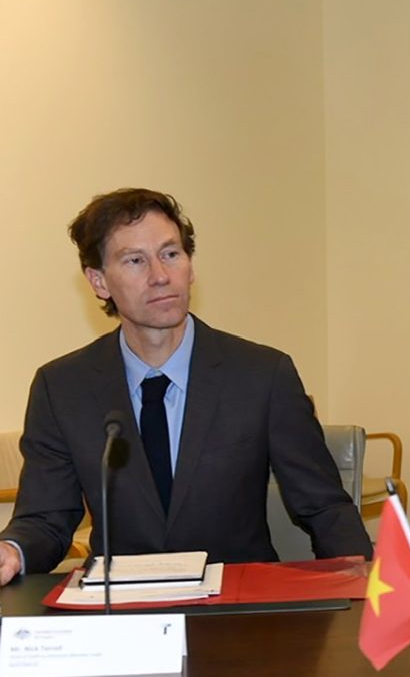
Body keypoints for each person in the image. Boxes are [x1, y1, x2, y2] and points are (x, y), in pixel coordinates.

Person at [0, 188, 372, 584]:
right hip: (121, 613)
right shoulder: (61, 387)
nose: (160, 276)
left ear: (190, 266)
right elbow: (45, 519)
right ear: (99, 281)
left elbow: (324, 506)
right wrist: (12, 550)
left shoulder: (263, 375)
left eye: (171, 254)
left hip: (241, 612)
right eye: (135, 260)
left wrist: (368, 582)